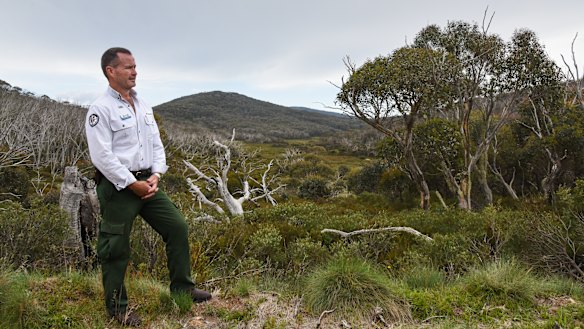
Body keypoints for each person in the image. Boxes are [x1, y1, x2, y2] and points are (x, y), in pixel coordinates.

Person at [85, 47, 211, 326]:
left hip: (148, 183)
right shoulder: (100, 109)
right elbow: (101, 156)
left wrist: (157, 174)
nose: (134, 71)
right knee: (115, 246)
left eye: (135, 66)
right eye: (128, 67)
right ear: (111, 71)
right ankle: (118, 309)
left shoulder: (142, 104)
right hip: (119, 187)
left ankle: (183, 288)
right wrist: (132, 184)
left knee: (177, 226)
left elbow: (156, 144)